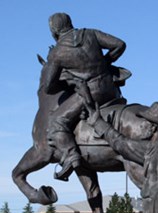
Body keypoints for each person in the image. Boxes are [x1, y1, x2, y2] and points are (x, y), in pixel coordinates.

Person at [42, 12, 127, 181]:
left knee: (55, 121)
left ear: (54, 30)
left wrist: (70, 82)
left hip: (90, 93)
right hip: (111, 88)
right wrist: (105, 62)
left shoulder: (57, 53)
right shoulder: (91, 34)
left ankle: (71, 156)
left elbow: (48, 87)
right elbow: (119, 44)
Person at [86, 101, 158, 210]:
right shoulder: (157, 146)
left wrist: (98, 123)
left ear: (154, 127)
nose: (141, 125)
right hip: (155, 209)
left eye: (145, 122)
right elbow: (121, 143)